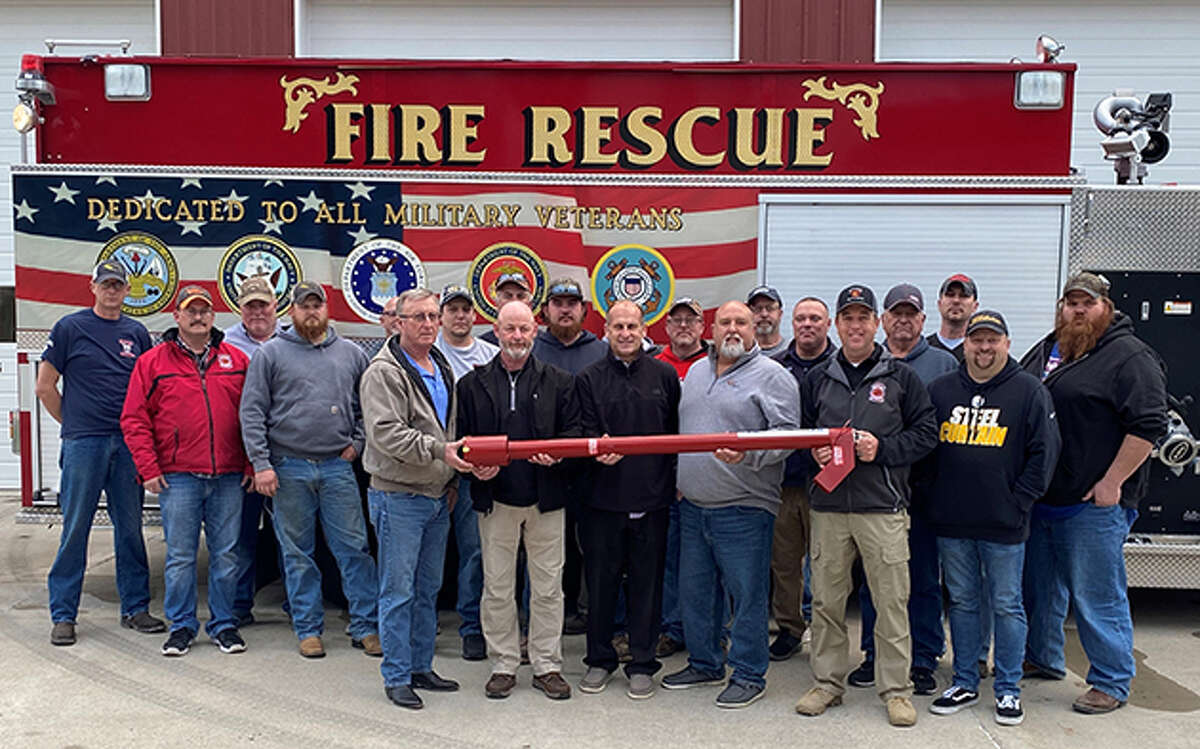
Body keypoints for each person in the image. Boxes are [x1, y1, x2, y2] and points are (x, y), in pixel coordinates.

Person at [1019, 272, 1167, 715]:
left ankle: (1111, 679)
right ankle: (1043, 658)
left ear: (1108, 307)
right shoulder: (1052, 347)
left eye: (1088, 303)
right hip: (1045, 497)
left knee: (1096, 594)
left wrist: (1113, 482)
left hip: (1093, 504)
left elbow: (1149, 425)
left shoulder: (1130, 357)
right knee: (1040, 589)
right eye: (1071, 302)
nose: (1078, 310)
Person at [794, 284, 937, 728]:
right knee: (826, 602)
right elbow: (798, 432)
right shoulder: (818, 377)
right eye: (848, 318)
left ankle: (896, 690)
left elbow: (927, 434)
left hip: (883, 509)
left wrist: (884, 448)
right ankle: (827, 684)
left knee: (892, 602)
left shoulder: (902, 377)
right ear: (838, 325)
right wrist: (812, 451)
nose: (855, 326)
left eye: (863, 317)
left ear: (876, 324)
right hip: (829, 508)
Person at [662, 301, 800, 709]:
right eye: (725, 322)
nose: (733, 329)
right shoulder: (697, 372)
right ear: (713, 327)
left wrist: (749, 456)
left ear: (754, 327)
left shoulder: (773, 376)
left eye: (742, 321)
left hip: (744, 507)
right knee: (697, 592)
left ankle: (748, 672)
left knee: (747, 595)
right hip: (693, 505)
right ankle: (705, 662)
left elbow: (788, 436)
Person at [925, 310, 1060, 726]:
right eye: (976, 340)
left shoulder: (1029, 391)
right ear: (965, 344)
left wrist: (1019, 501)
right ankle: (965, 679)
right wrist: (934, 499)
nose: (984, 348)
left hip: (1005, 524)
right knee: (963, 602)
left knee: (1007, 605)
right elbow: (926, 450)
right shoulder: (941, 390)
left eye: (992, 340)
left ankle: (1007, 690)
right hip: (953, 522)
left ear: (1006, 343)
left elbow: (1045, 453)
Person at [239, 281, 381, 659]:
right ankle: (308, 627)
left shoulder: (351, 353)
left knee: (354, 548)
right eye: (305, 307)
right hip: (288, 469)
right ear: (292, 311)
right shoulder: (270, 354)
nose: (311, 312)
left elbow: (367, 404)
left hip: (337, 466)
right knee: (298, 554)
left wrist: (359, 442)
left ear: (326, 310)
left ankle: (366, 625)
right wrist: (262, 464)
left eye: (317, 306)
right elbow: (251, 412)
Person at [457, 300, 581, 701]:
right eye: (509, 329)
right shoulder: (471, 385)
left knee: (547, 589)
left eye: (524, 329)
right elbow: (461, 442)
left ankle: (547, 664)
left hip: (546, 500)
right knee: (496, 587)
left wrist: (559, 454)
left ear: (535, 331)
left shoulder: (560, 382)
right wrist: (474, 467)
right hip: (497, 502)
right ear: (495, 331)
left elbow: (574, 433)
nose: (517, 337)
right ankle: (504, 663)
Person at [120, 285, 252, 657]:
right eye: (190, 311)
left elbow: (253, 418)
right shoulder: (152, 362)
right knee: (180, 556)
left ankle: (224, 625)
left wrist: (249, 462)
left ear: (214, 317)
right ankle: (181, 627)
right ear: (176, 317)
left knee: (227, 554)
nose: (198, 317)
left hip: (228, 476)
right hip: (178, 477)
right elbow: (134, 418)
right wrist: (148, 468)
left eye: (205, 311)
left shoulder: (237, 360)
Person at [360, 287, 475, 709]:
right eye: (419, 317)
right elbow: (385, 433)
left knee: (427, 589)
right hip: (399, 498)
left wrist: (450, 478)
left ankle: (421, 666)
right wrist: (438, 452)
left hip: (435, 495)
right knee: (398, 591)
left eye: (433, 316)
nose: (428, 324)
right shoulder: (384, 371)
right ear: (399, 322)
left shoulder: (439, 363)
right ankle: (396, 676)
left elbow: (450, 426)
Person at [39, 259, 164, 646]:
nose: (111, 291)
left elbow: (149, 390)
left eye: (118, 285)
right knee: (76, 529)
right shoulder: (69, 328)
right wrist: (74, 425)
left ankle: (135, 608)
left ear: (128, 291)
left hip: (127, 443)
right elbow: (45, 387)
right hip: (84, 444)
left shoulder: (137, 333)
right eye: (105, 284)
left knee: (130, 528)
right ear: (92, 288)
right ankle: (63, 615)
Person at [851, 284, 957, 696]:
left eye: (911, 313)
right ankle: (874, 655)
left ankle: (924, 658)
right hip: (874, 493)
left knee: (923, 579)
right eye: (896, 313)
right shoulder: (869, 362)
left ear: (922, 320)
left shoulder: (943, 363)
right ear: (884, 321)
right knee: (874, 580)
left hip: (923, 491)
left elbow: (941, 430)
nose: (903, 320)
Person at [575, 301, 681, 700]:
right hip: (601, 502)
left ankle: (641, 663)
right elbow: (580, 432)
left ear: (644, 328)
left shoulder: (665, 375)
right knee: (600, 586)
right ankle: (599, 660)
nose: (624, 333)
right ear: (606, 329)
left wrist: (669, 486)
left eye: (631, 326)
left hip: (652, 501)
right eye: (617, 326)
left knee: (646, 586)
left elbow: (673, 435)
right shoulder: (588, 378)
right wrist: (593, 450)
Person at [531, 277, 608, 637]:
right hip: (544, 470)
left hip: (594, 470)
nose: (565, 309)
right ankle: (540, 625)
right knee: (542, 553)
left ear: (584, 310)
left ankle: (594, 619)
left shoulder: (602, 351)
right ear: (545, 310)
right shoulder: (532, 348)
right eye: (558, 303)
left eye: (572, 303)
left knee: (594, 547)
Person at [768, 296, 837, 661]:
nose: (807, 324)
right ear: (791, 324)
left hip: (827, 484)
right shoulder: (775, 367)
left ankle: (825, 631)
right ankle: (790, 628)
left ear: (828, 325)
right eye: (801, 319)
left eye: (815, 318)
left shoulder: (840, 368)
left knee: (826, 564)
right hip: (783, 481)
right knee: (784, 563)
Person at [434, 283, 498, 661]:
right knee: (431, 555)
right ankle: (424, 627)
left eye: (465, 310)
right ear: (442, 315)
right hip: (438, 469)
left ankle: (473, 627)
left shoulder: (490, 355)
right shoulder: (428, 354)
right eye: (452, 309)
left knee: (476, 553)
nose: (460, 316)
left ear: (475, 315)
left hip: (480, 470)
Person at [223, 276, 286, 628]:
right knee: (241, 535)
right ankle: (238, 605)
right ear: (240, 309)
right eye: (251, 306)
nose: (258, 311)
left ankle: (297, 605)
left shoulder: (295, 340)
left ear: (275, 306)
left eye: (263, 304)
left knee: (292, 536)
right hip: (240, 455)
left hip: (286, 452)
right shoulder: (225, 344)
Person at [653, 297, 710, 657]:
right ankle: (674, 628)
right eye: (677, 320)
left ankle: (711, 630)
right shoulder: (655, 366)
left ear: (704, 327)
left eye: (692, 320)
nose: (684, 326)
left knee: (709, 564)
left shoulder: (717, 364)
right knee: (672, 561)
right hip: (666, 482)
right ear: (667, 327)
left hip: (709, 479)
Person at [927, 274, 979, 361]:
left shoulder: (980, 351)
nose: (956, 301)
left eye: (963, 296)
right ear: (939, 304)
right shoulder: (924, 349)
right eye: (950, 295)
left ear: (975, 306)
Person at [479, 272, 534, 345]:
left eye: (520, 296)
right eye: (508, 296)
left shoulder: (544, 345)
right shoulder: (484, 345)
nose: (514, 301)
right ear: (497, 303)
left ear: (530, 304)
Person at [747, 285, 789, 358]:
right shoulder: (743, 353)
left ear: (780, 314)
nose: (764, 314)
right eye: (758, 309)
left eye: (770, 308)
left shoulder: (792, 352)